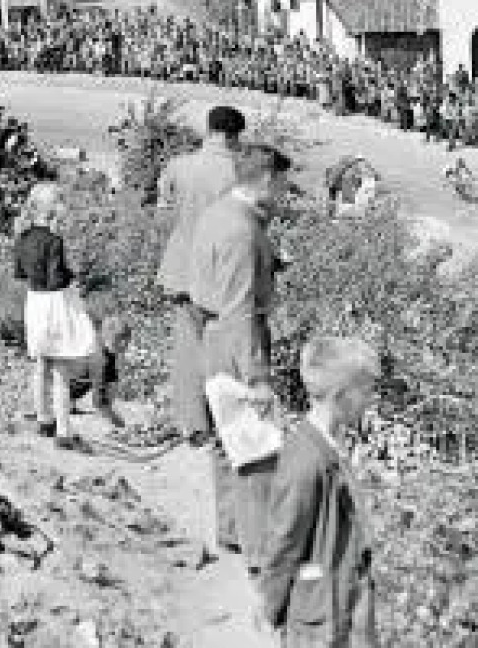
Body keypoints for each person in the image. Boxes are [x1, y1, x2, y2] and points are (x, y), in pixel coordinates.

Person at [192, 143, 292, 572]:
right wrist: (258, 377)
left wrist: (268, 264)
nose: (285, 192)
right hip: (237, 342)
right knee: (256, 447)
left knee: (226, 441)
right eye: (283, 184)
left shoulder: (220, 213)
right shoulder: (242, 231)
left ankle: (232, 530)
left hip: (213, 338)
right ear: (267, 179)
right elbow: (238, 310)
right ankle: (259, 553)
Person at [258, 336, 381, 647]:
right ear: (341, 395)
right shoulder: (305, 459)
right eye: (365, 391)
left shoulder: (331, 445)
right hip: (320, 620)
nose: (370, 400)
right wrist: (268, 608)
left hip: (344, 602)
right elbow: (284, 541)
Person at [157, 105, 246, 445]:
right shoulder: (241, 172)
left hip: (183, 268)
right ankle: (225, 424)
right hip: (224, 272)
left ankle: (193, 425)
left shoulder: (179, 166)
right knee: (225, 351)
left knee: (188, 349)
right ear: (233, 135)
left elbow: (165, 212)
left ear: (210, 130)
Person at [14, 181, 100, 449]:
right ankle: (64, 431)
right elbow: (55, 279)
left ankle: (44, 420)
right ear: (53, 208)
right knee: (61, 369)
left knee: (40, 365)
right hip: (54, 303)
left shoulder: (22, 237)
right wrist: (73, 277)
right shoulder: (54, 240)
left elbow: (19, 273)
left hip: (34, 302)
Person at [64, 315, 132, 427]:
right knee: (105, 375)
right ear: (108, 338)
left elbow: (111, 380)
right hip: (62, 387)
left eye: (126, 342)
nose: (124, 346)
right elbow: (98, 402)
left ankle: (70, 403)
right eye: (120, 341)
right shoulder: (99, 358)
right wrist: (117, 422)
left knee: (112, 376)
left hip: (77, 380)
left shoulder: (103, 347)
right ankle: (64, 403)